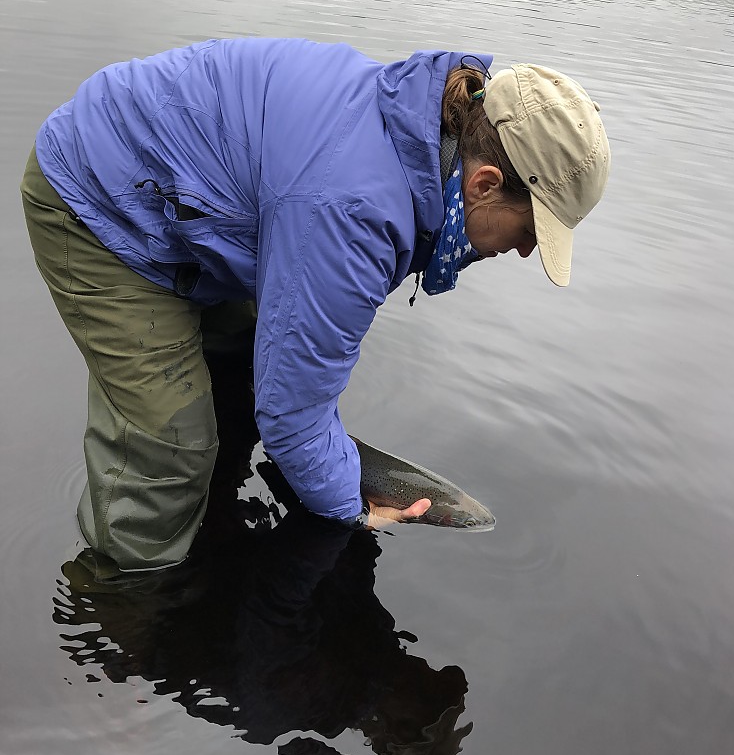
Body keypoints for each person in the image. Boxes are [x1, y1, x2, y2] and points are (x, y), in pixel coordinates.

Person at [21, 37, 610, 572]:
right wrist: (347, 507)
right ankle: (117, 615)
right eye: (533, 226)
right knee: (171, 447)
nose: (529, 249)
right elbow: (295, 417)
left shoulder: (418, 133)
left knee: (243, 364)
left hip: (185, 197)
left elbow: (295, 368)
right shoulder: (355, 211)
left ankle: (210, 519)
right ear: (482, 185)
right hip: (98, 198)